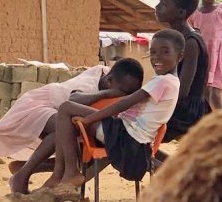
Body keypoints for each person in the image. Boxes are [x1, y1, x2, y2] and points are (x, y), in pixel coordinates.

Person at [35, 29, 183, 191]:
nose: (157, 57)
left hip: (123, 136)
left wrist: (90, 119)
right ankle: (61, 175)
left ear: (180, 56)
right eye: (153, 52)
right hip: (132, 139)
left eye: (165, 52)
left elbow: (124, 104)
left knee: (66, 108)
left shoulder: (163, 81)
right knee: (68, 117)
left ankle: (69, 172)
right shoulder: (172, 82)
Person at [5, 58, 145, 193]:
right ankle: (34, 176)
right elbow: (73, 99)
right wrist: (106, 93)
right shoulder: (90, 84)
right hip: (39, 104)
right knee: (64, 131)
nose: (125, 97)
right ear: (109, 82)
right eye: (124, 93)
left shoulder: (114, 77)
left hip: (62, 113)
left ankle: (28, 172)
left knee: (77, 142)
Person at [154, 0, 209, 141]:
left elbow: (182, 91)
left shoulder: (190, 42)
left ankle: (155, 164)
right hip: (175, 103)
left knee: (132, 125)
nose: (157, 7)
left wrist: (150, 100)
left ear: (181, 12)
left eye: (164, 4)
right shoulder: (174, 38)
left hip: (186, 112)